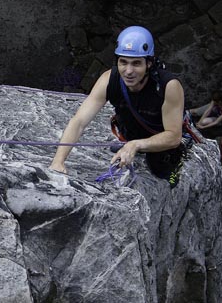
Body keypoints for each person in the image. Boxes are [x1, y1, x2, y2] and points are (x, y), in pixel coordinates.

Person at [49, 26, 185, 185]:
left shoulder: (168, 86)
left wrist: (136, 145)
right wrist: (58, 161)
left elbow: (174, 136)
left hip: (161, 141)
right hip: (129, 134)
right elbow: (79, 121)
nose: (128, 71)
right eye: (123, 62)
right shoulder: (109, 80)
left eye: (136, 63)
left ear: (149, 63)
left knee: (163, 173)